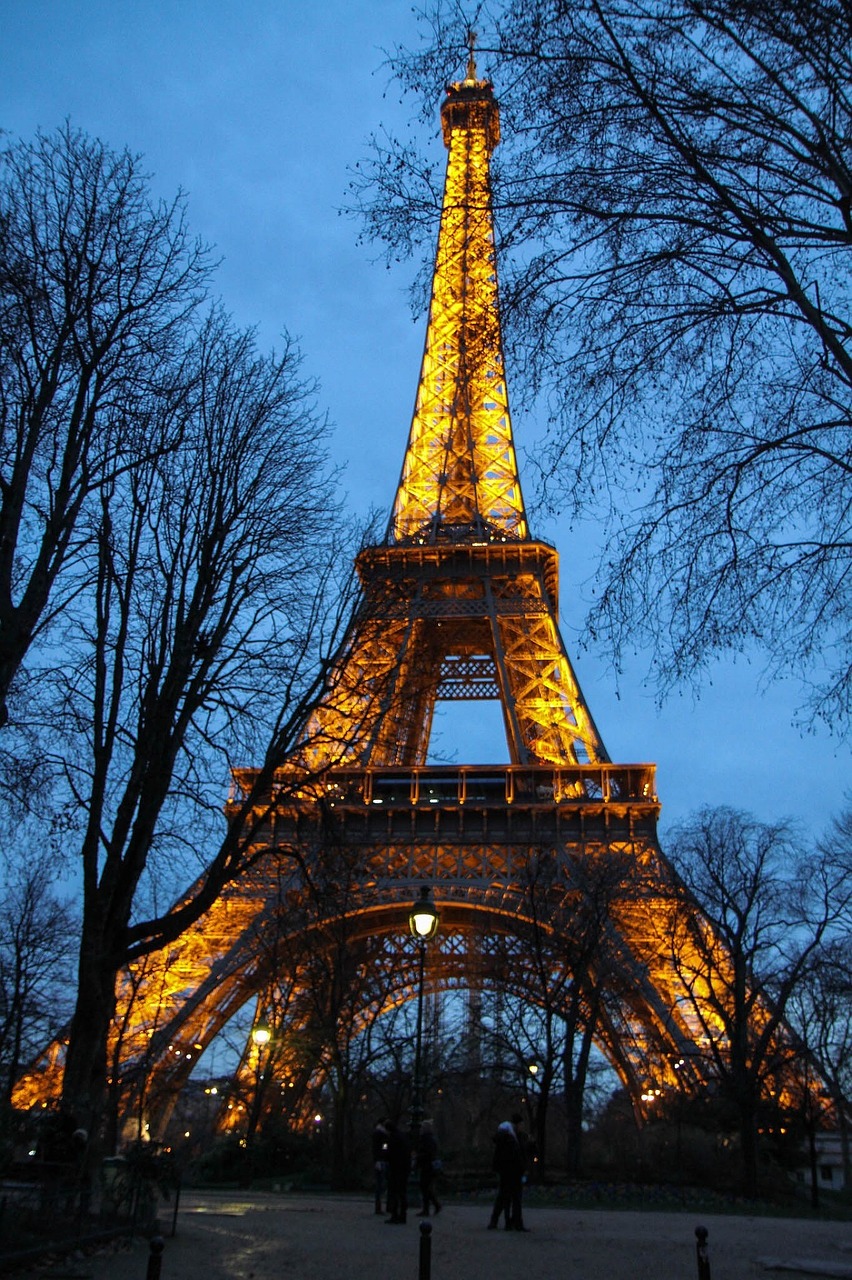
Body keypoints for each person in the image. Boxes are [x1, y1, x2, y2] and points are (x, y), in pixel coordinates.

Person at [487, 1117, 529, 1231]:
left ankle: (500, 1221)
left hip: (509, 1172)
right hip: (512, 1172)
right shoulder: (512, 1139)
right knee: (512, 1198)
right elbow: (516, 1156)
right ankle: (513, 1222)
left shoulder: (512, 1138)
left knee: (504, 1198)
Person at [384, 1119, 411, 1224]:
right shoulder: (403, 1137)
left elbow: (387, 1152)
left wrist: (384, 1149)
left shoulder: (392, 1138)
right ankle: (403, 1215)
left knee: (394, 1192)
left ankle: (395, 1214)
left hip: (395, 1168)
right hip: (404, 1168)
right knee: (402, 1193)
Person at [416, 1119, 442, 1217]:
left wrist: (419, 1157)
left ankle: (429, 1207)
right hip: (430, 1166)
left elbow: (427, 1153)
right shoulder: (431, 1139)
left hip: (427, 1166)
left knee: (425, 1187)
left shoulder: (426, 1140)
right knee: (427, 1187)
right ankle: (433, 1205)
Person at [371, 1119, 388, 1215]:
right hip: (381, 1160)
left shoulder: (376, 1134)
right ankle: (379, 1207)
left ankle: (378, 1207)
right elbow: (383, 1147)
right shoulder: (381, 1135)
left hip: (379, 1160)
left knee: (379, 1184)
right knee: (380, 1184)